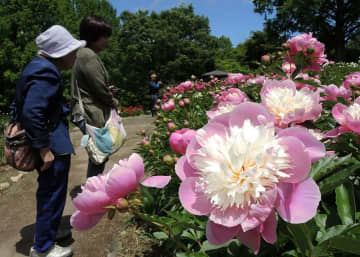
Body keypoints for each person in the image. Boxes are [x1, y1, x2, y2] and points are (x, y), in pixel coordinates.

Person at [9, 25, 85, 257]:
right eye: (71, 51)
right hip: (51, 144)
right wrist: (43, 148)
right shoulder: (46, 72)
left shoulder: (35, 67)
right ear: (59, 52)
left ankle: (49, 234)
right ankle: (43, 248)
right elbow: (33, 112)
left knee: (51, 192)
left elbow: (19, 107)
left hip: (47, 140)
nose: (74, 55)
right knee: (51, 193)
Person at [71, 15, 118, 178]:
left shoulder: (83, 54)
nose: (107, 40)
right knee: (99, 155)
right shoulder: (87, 55)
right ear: (94, 36)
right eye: (104, 36)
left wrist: (107, 90)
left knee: (98, 155)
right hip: (91, 113)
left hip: (88, 110)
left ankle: (94, 188)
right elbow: (99, 89)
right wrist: (113, 100)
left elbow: (94, 85)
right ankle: (94, 191)